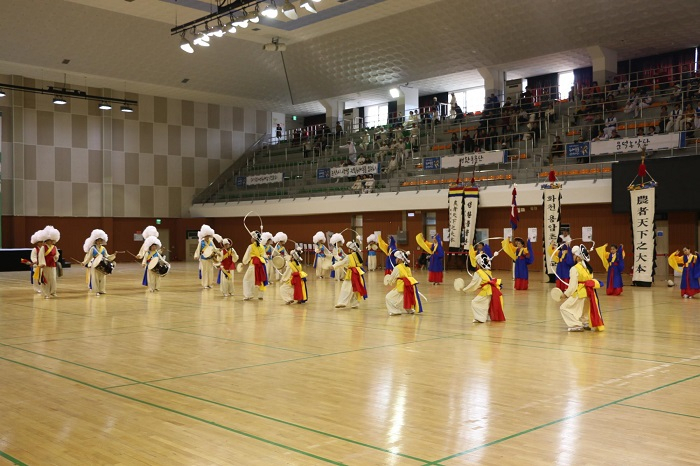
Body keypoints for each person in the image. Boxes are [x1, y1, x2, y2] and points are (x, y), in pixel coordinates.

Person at [558, 245, 605, 332]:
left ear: (578, 257)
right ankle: (585, 322)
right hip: (589, 292)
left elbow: (573, 286)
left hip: (579, 292)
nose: (573, 257)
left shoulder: (574, 269)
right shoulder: (588, 268)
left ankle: (575, 325)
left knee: (564, 308)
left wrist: (565, 294)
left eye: (574, 255)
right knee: (584, 308)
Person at [460, 253, 506, 323]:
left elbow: (473, 284)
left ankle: (480, 318)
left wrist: (465, 289)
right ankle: (487, 317)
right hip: (491, 290)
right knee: (486, 304)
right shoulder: (487, 271)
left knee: (475, 302)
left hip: (486, 291)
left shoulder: (478, 273)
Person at [385, 250, 423, 315]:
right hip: (409, 286)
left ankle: (395, 311)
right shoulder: (408, 267)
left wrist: (387, 278)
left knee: (388, 297)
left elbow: (392, 279)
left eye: (396, 258)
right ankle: (409, 309)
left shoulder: (397, 268)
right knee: (406, 297)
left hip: (401, 286)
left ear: (400, 259)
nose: (395, 259)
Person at [334, 238, 367, 309]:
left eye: (349, 248)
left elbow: (343, 263)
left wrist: (333, 266)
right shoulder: (357, 255)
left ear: (351, 249)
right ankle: (355, 304)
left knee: (345, 288)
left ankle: (342, 302)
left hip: (351, 274)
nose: (348, 250)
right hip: (358, 274)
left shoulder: (349, 256)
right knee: (356, 288)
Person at [82, 229, 115, 296]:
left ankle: (102, 290)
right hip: (95, 264)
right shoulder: (92, 248)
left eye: (101, 240)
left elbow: (107, 256)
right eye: (98, 240)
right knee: (95, 278)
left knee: (102, 277)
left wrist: (113, 255)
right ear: (96, 241)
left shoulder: (103, 248)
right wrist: (84, 262)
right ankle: (96, 290)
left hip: (103, 264)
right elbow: (89, 256)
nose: (100, 241)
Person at [242, 231, 268, 300]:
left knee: (247, 279)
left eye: (252, 238)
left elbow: (247, 256)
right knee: (261, 279)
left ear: (254, 239)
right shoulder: (262, 247)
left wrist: (244, 262)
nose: (251, 239)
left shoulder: (251, 246)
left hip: (254, 265)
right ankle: (260, 295)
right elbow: (264, 256)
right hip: (262, 265)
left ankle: (248, 295)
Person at [38, 225, 61, 299]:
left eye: (52, 240)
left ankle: (53, 292)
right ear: (46, 240)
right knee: (46, 279)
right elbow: (41, 256)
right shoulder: (43, 247)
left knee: (53, 279)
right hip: (46, 265)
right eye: (50, 240)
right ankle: (46, 293)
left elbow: (57, 254)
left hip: (53, 265)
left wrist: (56, 257)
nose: (51, 241)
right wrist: (42, 263)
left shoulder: (54, 247)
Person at [193, 224, 217, 289]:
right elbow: (198, 249)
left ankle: (209, 284)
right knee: (205, 271)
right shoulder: (201, 242)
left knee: (210, 271)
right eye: (206, 236)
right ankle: (205, 284)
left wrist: (217, 252)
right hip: (204, 259)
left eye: (208, 236)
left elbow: (215, 249)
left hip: (210, 258)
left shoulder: (211, 242)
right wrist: (196, 255)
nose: (207, 237)